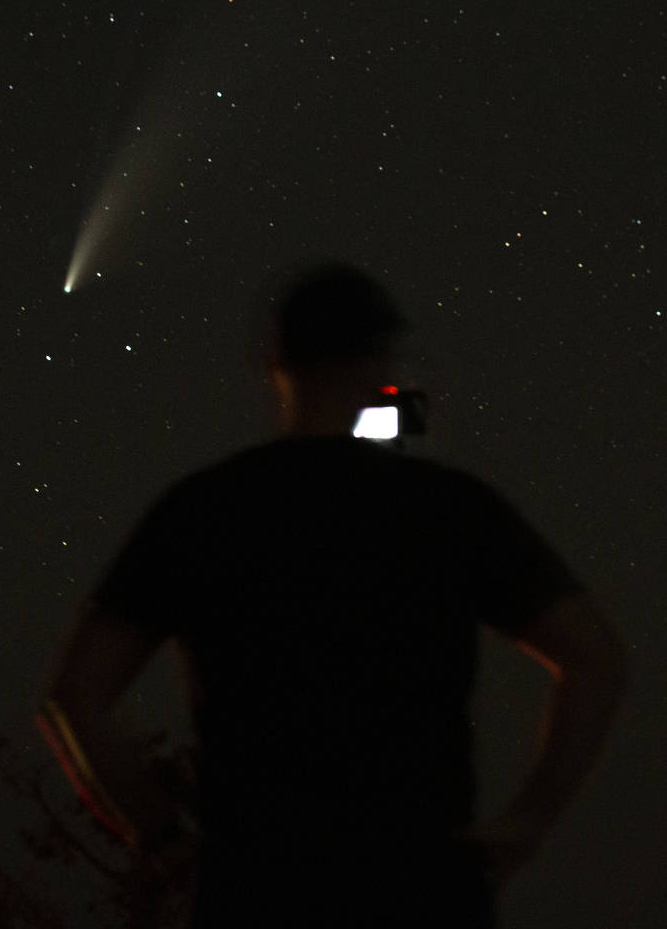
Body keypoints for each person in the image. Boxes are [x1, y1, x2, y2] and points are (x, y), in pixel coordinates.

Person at [37, 263, 627, 927]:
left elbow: (76, 694)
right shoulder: (451, 510)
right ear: (381, 362)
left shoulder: (202, 512)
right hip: (422, 891)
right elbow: (595, 658)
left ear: (273, 363)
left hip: (257, 892)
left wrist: (162, 836)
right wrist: (527, 823)